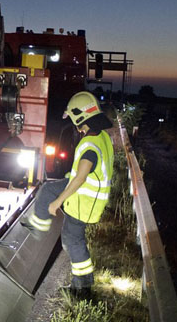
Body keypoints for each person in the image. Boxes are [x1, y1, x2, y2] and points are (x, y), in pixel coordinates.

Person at [24, 91, 114, 299]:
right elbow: (79, 175)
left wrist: (58, 201)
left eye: (76, 122)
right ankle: (38, 228)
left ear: (81, 117)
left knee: (72, 240)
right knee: (47, 189)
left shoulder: (90, 146)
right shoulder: (99, 137)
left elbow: (81, 177)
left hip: (85, 200)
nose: (76, 127)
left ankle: (82, 289)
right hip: (83, 192)